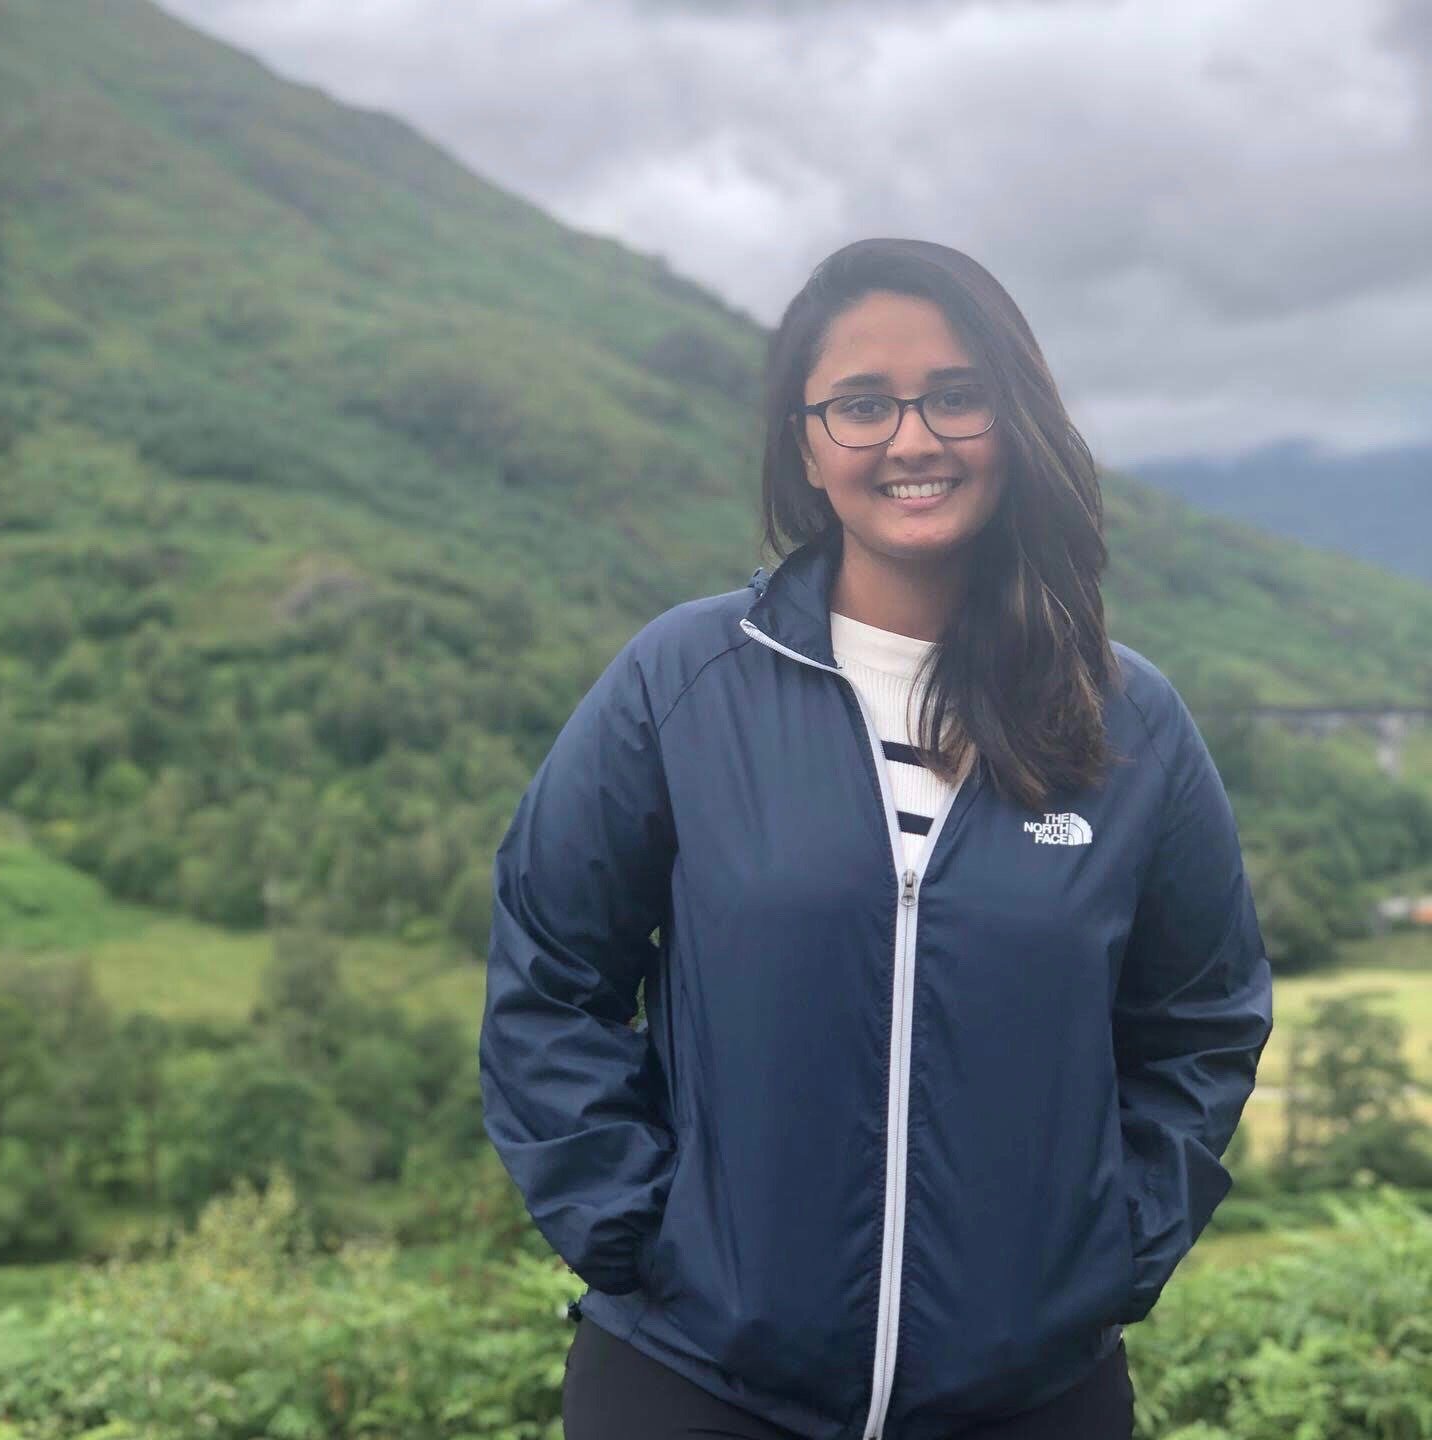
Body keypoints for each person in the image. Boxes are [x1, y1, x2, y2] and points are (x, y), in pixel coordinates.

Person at [479, 237, 1274, 1440]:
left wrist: (1108, 1252)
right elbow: (549, 970)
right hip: (693, 1384)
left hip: (1033, 1399)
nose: (913, 438)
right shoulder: (684, 682)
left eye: (956, 395)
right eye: (862, 404)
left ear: (1015, 417)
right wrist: (634, 1229)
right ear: (807, 442)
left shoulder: (1129, 724)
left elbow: (1202, 1022)